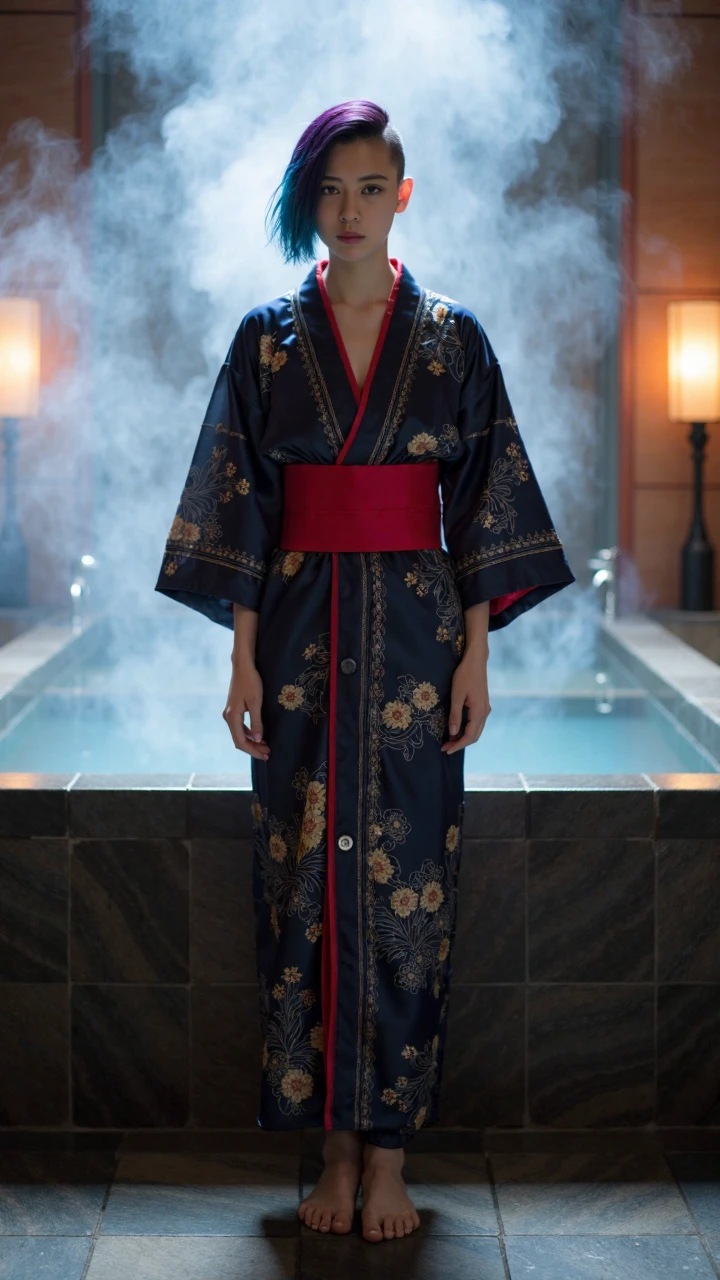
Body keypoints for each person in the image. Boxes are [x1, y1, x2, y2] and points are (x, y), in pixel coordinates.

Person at [155, 99, 575, 1243]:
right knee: (298, 881)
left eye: (370, 187)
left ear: (404, 195)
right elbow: (234, 493)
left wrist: (478, 650)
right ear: (309, 199)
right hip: (293, 635)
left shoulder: (453, 338)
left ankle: (389, 1155)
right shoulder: (264, 340)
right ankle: (328, 1152)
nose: (349, 209)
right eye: (330, 189)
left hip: (415, 636)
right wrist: (241, 657)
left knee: (407, 891)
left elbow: (486, 498)